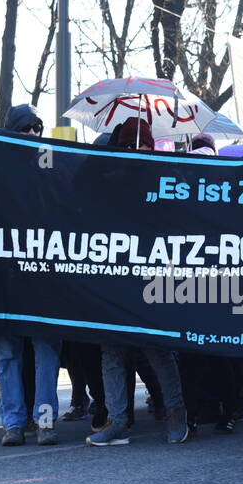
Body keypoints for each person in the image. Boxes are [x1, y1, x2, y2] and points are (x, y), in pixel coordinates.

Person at [88, 117, 189, 446]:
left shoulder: (164, 177)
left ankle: (177, 414)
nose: (138, 150)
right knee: (112, 351)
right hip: (114, 276)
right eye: (131, 144)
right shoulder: (103, 180)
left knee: (157, 348)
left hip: (151, 277)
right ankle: (118, 419)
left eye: (144, 144)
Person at [0, 104, 62, 446]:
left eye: (37, 128)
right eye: (25, 129)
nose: (33, 135)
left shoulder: (53, 165)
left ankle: (45, 421)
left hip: (44, 280)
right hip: (6, 279)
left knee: (46, 350)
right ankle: (13, 424)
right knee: (8, 353)